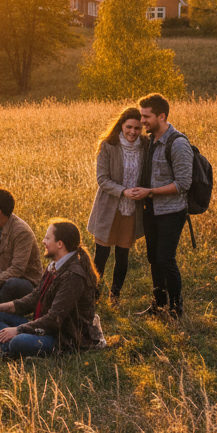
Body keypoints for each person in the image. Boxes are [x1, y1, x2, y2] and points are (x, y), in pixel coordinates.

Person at [0, 219, 102, 358]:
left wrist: (18, 330)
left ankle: (9, 351)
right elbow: (34, 298)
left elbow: (55, 319)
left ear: (60, 244)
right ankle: (10, 351)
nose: (43, 241)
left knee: (17, 341)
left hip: (62, 337)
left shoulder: (73, 276)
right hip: (44, 327)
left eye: (47, 238)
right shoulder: (55, 265)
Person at [124, 93, 193, 320]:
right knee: (153, 258)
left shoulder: (178, 143)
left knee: (165, 258)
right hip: (151, 210)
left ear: (161, 116)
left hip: (172, 212)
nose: (142, 121)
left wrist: (150, 192)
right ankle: (159, 303)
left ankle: (176, 308)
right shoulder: (152, 140)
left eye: (146, 116)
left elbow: (183, 184)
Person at [87, 107, 146, 306]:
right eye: (129, 127)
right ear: (121, 125)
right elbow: (102, 179)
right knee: (101, 255)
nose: (133, 132)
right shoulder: (108, 145)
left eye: (138, 128)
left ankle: (115, 296)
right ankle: (94, 295)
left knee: (123, 254)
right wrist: (123, 191)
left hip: (131, 210)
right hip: (109, 208)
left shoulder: (146, 146)